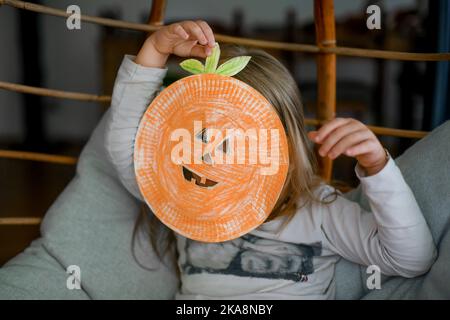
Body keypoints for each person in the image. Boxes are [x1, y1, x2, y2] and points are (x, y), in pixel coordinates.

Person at [105, 20, 436, 299]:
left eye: (234, 144)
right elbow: (125, 150)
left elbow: (411, 260)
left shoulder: (318, 210)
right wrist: (155, 50)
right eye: (201, 139)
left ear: (283, 149)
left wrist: (377, 167)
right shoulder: (188, 200)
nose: (209, 161)